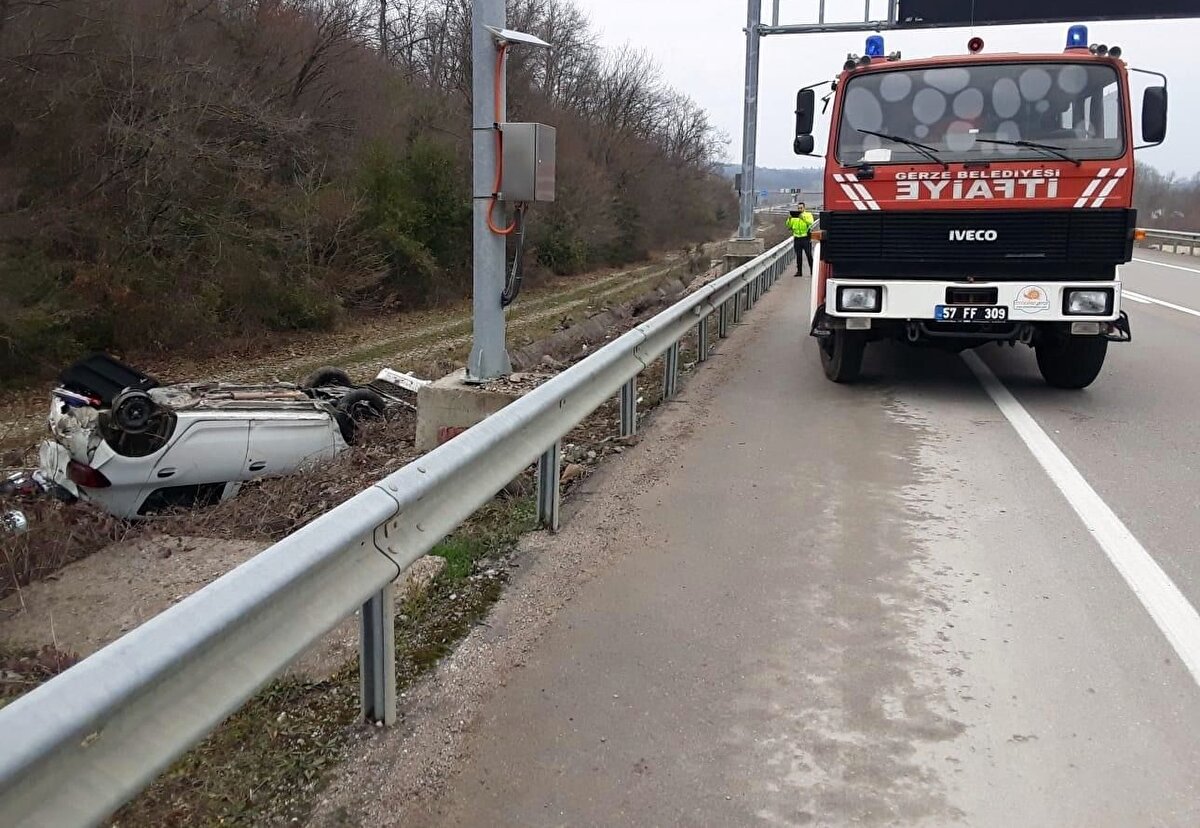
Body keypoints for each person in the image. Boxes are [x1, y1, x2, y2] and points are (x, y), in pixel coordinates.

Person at [786, 203, 816, 277]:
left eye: (801, 208)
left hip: (805, 238)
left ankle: (812, 271)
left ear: (804, 208)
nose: (799, 209)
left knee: (809, 255)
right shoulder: (794, 217)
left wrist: (803, 218)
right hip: (797, 238)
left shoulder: (808, 215)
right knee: (798, 256)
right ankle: (799, 272)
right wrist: (789, 219)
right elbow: (789, 226)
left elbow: (811, 223)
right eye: (798, 208)